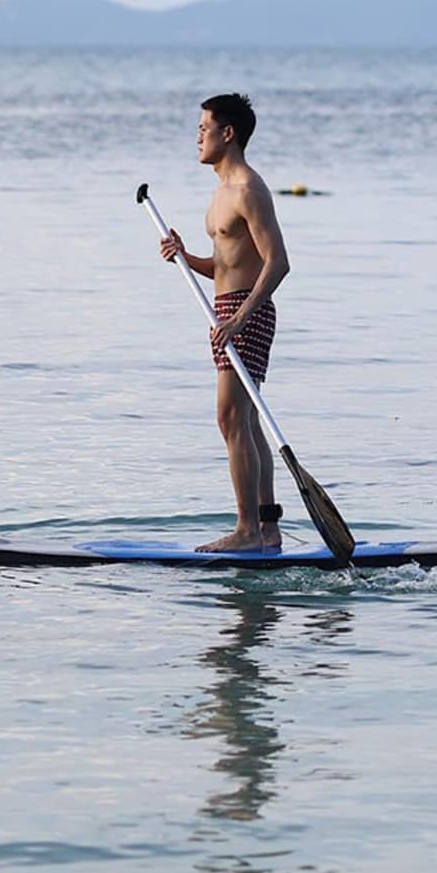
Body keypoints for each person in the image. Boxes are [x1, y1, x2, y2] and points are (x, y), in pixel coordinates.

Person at [159, 93, 291, 552]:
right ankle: (267, 528)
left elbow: (277, 264)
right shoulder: (220, 195)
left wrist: (239, 317)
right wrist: (185, 256)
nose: (197, 136)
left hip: (245, 313)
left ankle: (247, 531)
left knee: (231, 417)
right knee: (247, 421)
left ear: (227, 133)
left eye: (204, 128)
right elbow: (227, 264)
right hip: (228, 310)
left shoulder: (248, 191)